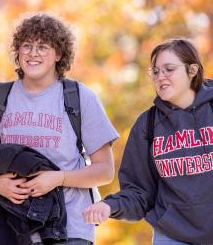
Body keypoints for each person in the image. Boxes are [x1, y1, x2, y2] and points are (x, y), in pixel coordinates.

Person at [0, 13, 118, 245]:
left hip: (69, 228)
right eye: (27, 46)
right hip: (12, 228)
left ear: (59, 54)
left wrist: (58, 178)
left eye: (43, 47)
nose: (33, 54)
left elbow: (105, 171)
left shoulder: (79, 98)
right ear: (18, 51)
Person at [83, 38, 213, 244]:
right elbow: (139, 192)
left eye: (169, 69)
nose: (161, 77)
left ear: (192, 70)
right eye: (155, 71)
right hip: (173, 235)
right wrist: (110, 206)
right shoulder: (148, 124)